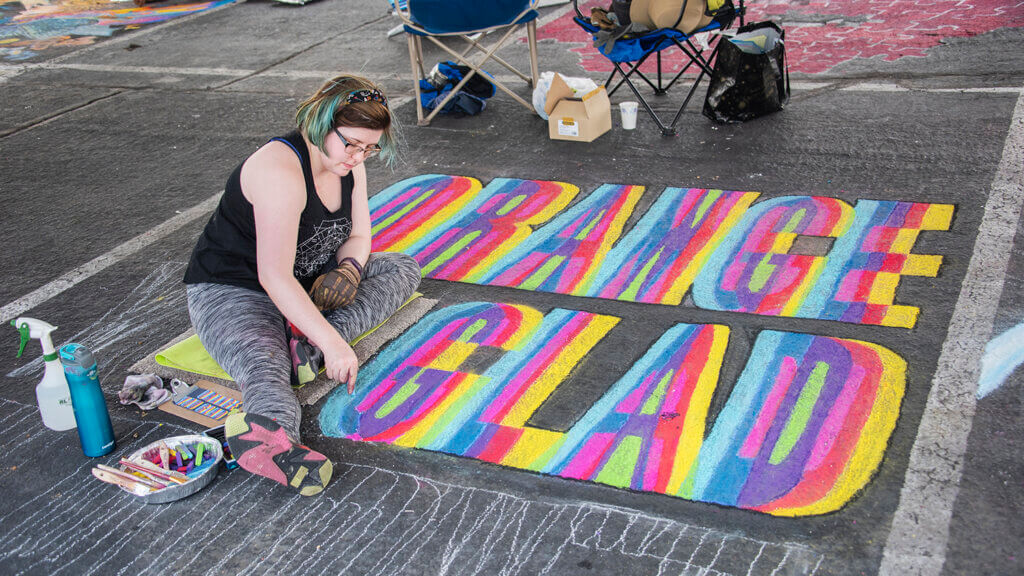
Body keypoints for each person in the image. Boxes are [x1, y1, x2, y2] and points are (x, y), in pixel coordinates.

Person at [183, 75, 421, 496]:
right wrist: (334, 343)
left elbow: (360, 236)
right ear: (319, 122)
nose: (359, 155)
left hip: (305, 280)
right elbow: (272, 275)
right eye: (351, 143)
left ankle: (304, 347)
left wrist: (348, 269)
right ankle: (269, 437)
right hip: (234, 289)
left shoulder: (349, 162)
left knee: (401, 268)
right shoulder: (280, 172)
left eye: (370, 147)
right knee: (263, 366)